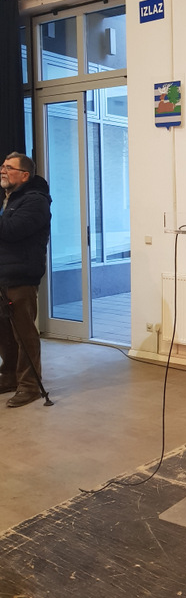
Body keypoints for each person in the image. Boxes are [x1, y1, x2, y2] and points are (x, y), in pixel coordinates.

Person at [0, 152, 52, 408]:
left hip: (21, 277)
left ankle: (30, 385)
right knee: (4, 332)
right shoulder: (11, 199)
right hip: (4, 275)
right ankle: (10, 376)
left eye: (9, 167)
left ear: (24, 175)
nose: (2, 170)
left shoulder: (35, 201)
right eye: (2, 166)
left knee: (23, 333)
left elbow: (12, 231)